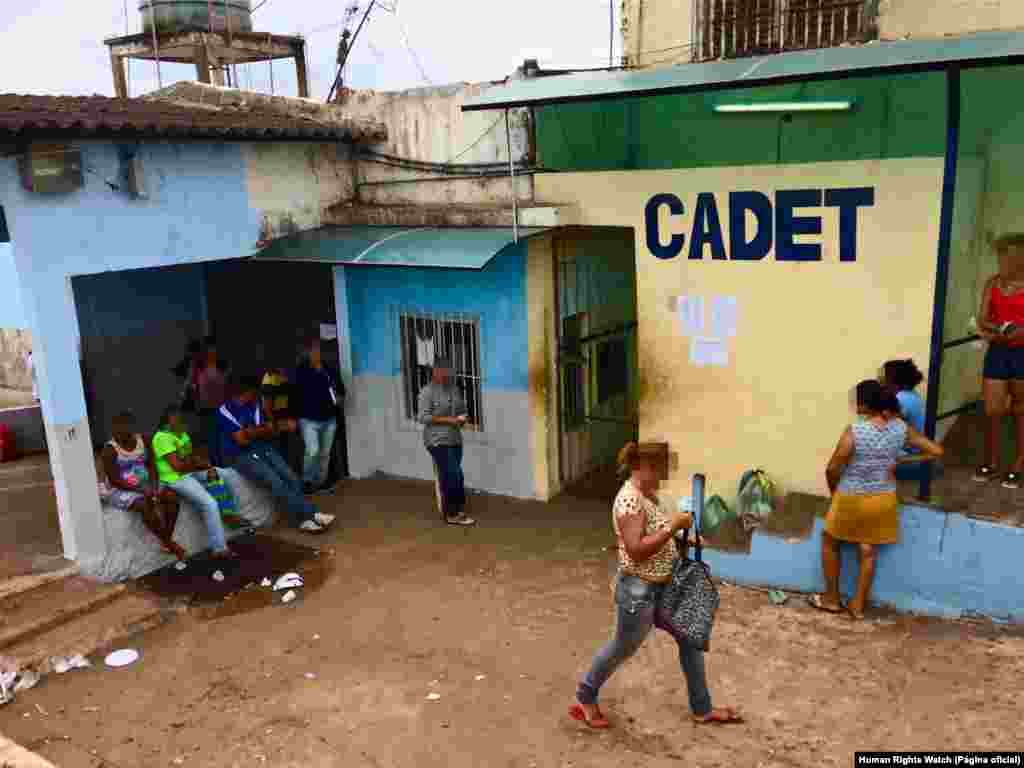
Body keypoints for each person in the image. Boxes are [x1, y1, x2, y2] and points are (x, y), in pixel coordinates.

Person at [571, 442, 741, 729]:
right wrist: (672, 527)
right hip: (639, 592)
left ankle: (702, 708)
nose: (663, 478)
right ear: (644, 468)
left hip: (664, 586)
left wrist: (683, 539)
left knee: (690, 641)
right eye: (660, 471)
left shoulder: (647, 495)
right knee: (621, 648)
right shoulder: (629, 500)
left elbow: (656, 536)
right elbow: (636, 549)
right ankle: (584, 697)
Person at [812, 381, 943, 620]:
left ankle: (831, 599)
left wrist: (835, 494)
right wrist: (902, 461)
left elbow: (832, 468)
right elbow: (936, 451)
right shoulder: (901, 428)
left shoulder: (855, 431)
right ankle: (858, 606)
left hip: (851, 496)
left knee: (830, 541)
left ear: (864, 405)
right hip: (883, 497)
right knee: (868, 550)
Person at [218, 374, 335, 535]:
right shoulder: (225, 410)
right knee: (276, 481)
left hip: (259, 446)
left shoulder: (255, 403)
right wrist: (257, 431)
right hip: (239, 455)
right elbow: (241, 440)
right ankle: (311, 514)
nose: (256, 395)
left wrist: (253, 431)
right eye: (253, 392)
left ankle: (305, 520)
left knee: (292, 477)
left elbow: (269, 430)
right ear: (245, 392)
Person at [152, 406, 237, 559]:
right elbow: (177, 466)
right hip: (174, 478)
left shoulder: (182, 434)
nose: (179, 420)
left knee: (224, 474)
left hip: (189, 472)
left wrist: (208, 466)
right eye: (175, 418)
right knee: (209, 504)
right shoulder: (161, 437)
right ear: (167, 421)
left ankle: (229, 512)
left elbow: (190, 458)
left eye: (180, 418)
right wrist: (195, 463)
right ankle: (219, 549)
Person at [100, 411, 185, 560]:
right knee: (144, 505)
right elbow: (114, 480)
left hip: (145, 484)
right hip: (121, 489)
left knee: (171, 497)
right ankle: (170, 543)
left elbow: (152, 465)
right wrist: (141, 490)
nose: (121, 431)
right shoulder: (110, 450)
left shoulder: (144, 440)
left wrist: (153, 486)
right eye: (118, 428)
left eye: (126, 427)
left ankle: (166, 539)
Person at [976, 233, 1024, 488]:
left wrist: (1020, 330)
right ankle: (990, 461)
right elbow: (983, 318)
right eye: (1002, 255)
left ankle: (1018, 464)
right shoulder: (993, 283)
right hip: (998, 350)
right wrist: (998, 328)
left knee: (1020, 410)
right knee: (992, 410)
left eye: (1010, 256)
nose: (1004, 261)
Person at [417, 356, 475, 526]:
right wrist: (448, 420)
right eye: (443, 371)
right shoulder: (426, 392)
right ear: (435, 371)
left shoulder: (453, 389)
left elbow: (462, 409)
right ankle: (453, 513)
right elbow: (422, 417)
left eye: (449, 371)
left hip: (454, 438)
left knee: (448, 474)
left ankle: (449, 507)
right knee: (455, 473)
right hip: (436, 440)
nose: (447, 374)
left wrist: (463, 418)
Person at [293, 336, 343, 495]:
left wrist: (340, 397)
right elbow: (295, 394)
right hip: (308, 419)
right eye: (313, 350)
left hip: (329, 418)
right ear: (307, 352)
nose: (316, 353)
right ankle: (307, 481)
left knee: (325, 453)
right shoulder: (302, 370)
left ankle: (321, 482)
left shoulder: (330, 369)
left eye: (318, 350)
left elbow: (341, 390)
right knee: (313, 450)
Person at [881, 359, 928, 483]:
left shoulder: (901, 399)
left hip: (911, 455)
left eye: (884, 378)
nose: (882, 381)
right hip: (915, 450)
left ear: (893, 381)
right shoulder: (912, 395)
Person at [197, 341, 228, 467]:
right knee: (214, 442)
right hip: (212, 410)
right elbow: (205, 396)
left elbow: (206, 395)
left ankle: (218, 465)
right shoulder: (207, 374)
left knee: (216, 441)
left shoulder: (210, 373)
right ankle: (217, 466)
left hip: (214, 410)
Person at [261, 365, 294, 466]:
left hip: (282, 418)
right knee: (278, 452)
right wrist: (274, 425)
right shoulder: (269, 380)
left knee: (284, 451)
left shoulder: (282, 376)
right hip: (275, 419)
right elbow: (266, 407)